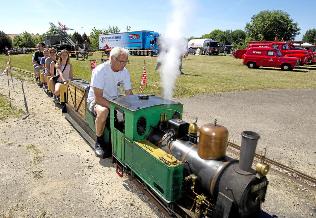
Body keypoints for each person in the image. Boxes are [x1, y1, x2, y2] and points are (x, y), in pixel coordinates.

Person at [87, 47, 133, 158]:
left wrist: (133, 107)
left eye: (126, 61)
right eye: (121, 61)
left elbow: (129, 93)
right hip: (95, 100)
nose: (124, 64)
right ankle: (99, 140)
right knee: (103, 111)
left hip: (114, 99)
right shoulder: (100, 70)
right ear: (112, 59)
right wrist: (117, 108)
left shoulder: (124, 71)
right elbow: (98, 98)